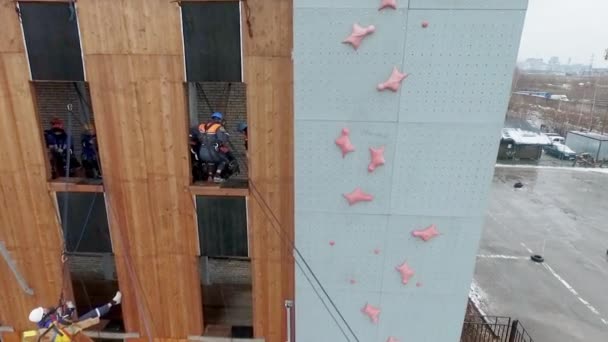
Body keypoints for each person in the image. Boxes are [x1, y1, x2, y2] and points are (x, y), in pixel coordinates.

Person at [28, 291, 122, 332]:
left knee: (91, 314)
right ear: (43, 315)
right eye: (42, 310)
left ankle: (114, 302)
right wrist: (69, 309)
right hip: (72, 330)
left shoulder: (48, 318)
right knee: (91, 315)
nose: (44, 308)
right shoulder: (49, 325)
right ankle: (113, 302)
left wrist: (67, 309)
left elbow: (64, 318)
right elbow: (65, 322)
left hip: (72, 326)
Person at [198, 112, 233, 183]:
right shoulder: (218, 127)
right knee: (224, 160)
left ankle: (210, 176)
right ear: (219, 119)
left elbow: (199, 137)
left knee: (211, 162)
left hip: (201, 152)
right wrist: (226, 133)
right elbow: (222, 139)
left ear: (212, 118)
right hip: (211, 151)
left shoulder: (203, 126)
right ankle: (217, 176)